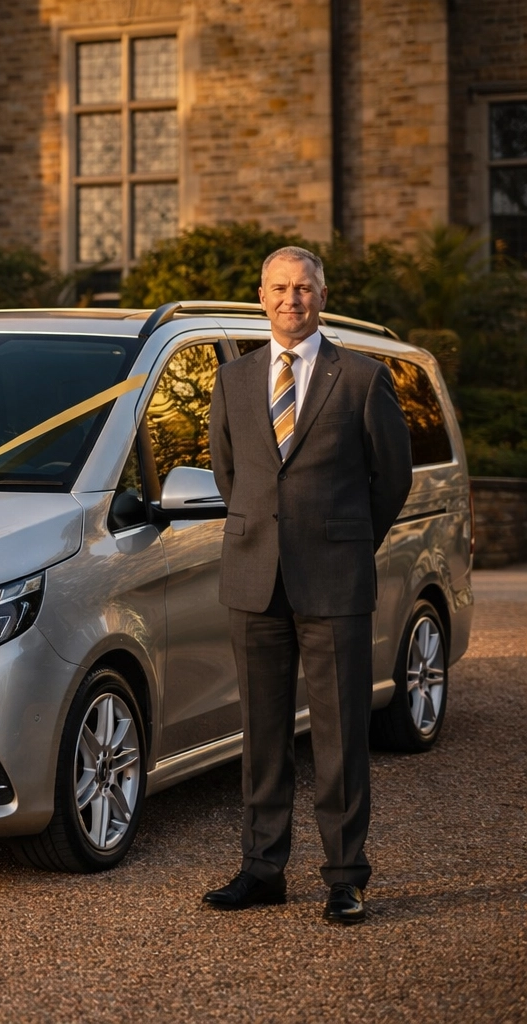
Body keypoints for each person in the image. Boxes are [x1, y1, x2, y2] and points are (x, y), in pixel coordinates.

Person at [202, 246, 412, 923]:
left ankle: (345, 877)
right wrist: (265, 534)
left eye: (305, 288)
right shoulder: (232, 379)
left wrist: (345, 543)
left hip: (334, 581)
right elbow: (230, 477)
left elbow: (393, 480)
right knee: (261, 736)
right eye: (281, 288)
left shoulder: (361, 377)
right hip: (255, 579)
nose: (293, 299)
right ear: (261, 296)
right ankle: (262, 870)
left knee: (340, 736)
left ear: (322, 296)